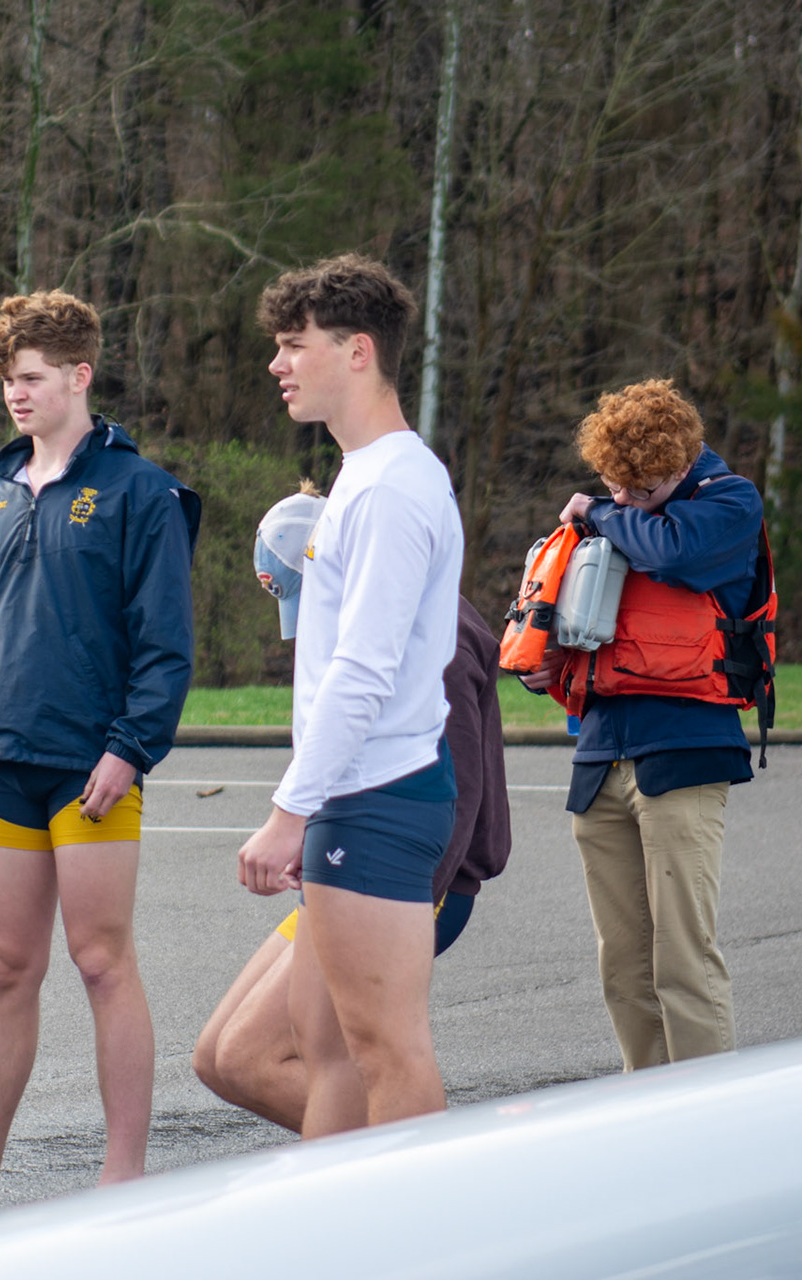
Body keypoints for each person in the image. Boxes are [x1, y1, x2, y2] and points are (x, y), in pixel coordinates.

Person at [0, 290, 198, 1229]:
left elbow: (165, 645)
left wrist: (130, 749)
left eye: (31, 378)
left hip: (91, 772)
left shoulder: (140, 491)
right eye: (7, 380)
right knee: (3, 969)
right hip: (4, 766)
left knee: (102, 961)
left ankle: (124, 1179)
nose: (15, 394)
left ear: (80, 375)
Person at [194, 492, 510, 1131]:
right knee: (217, 1059)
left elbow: (457, 792)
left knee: (254, 1059)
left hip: (410, 887)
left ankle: (424, 1171)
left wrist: (406, 909)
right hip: (343, 871)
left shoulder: (433, 636)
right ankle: (376, 1164)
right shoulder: (371, 617)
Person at [236, 254, 465, 1139]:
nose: (278, 364)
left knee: (383, 1051)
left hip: (376, 797)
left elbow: (364, 672)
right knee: (325, 1046)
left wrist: (288, 813)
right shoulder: (365, 476)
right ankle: (338, 1213)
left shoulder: (394, 486)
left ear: (358, 351)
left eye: (296, 345)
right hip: (358, 795)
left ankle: (415, 1218)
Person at [520, 380, 767, 1070]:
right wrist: (549, 666)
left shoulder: (729, 502)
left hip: (686, 752)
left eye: (641, 489)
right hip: (600, 758)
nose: (626, 499)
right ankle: (647, 1110)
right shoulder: (617, 511)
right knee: (623, 967)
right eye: (613, 485)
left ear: (682, 465)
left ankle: (708, 1119)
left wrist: (598, 510)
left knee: (684, 960)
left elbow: (677, 554)